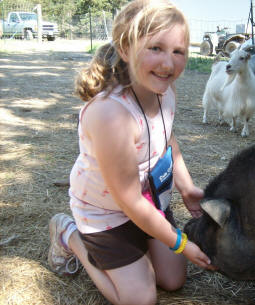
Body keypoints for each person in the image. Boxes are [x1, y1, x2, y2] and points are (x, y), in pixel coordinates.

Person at [47, 1, 214, 304]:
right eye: (155, 48)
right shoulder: (110, 114)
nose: (168, 63)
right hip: (106, 213)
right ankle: (69, 233)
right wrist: (181, 243)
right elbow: (128, 199)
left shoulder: (165, 92)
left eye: (178, 51)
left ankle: (137, 249)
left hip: (148, 202)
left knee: (173, 280)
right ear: (125, 48)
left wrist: (186, 187)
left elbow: (167, 138)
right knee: (140, 299)